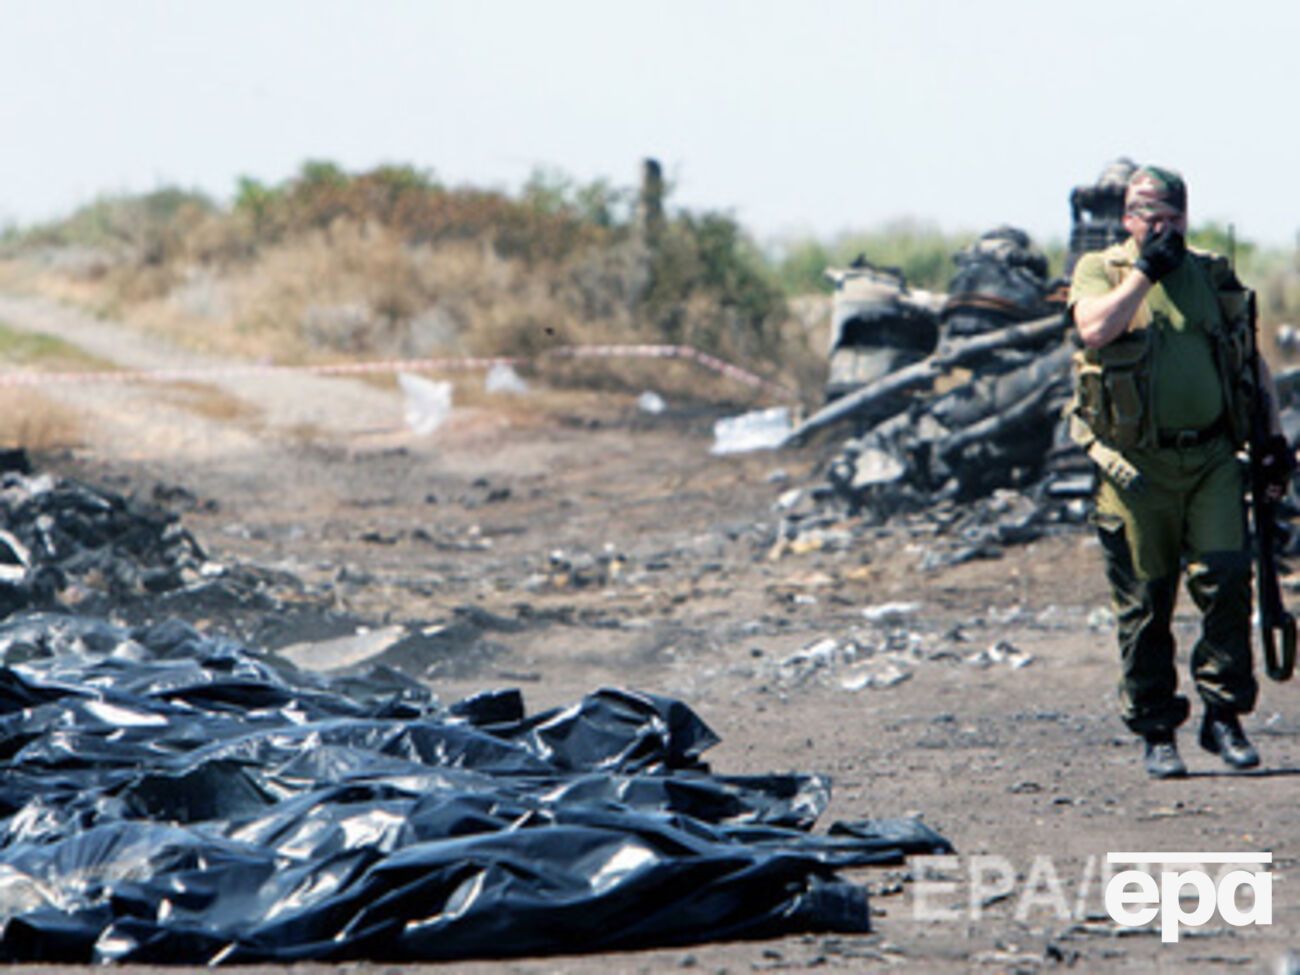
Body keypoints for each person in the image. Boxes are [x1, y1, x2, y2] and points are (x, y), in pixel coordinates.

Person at [1068, 164, 1293, 779]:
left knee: (1227, 583)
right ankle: (1156, 728)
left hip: (1213, 458)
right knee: (1146, 602)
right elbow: (1094, 329)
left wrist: (1273, 438)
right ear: (1127, 218)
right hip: (1137, 468)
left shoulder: (1212, 273)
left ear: (1185, 217)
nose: (1161, 227)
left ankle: (1224, 717)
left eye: (1171, 217)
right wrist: (1146, 272)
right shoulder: (1102, 270)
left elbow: (1249, 359)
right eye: (1148, 216)